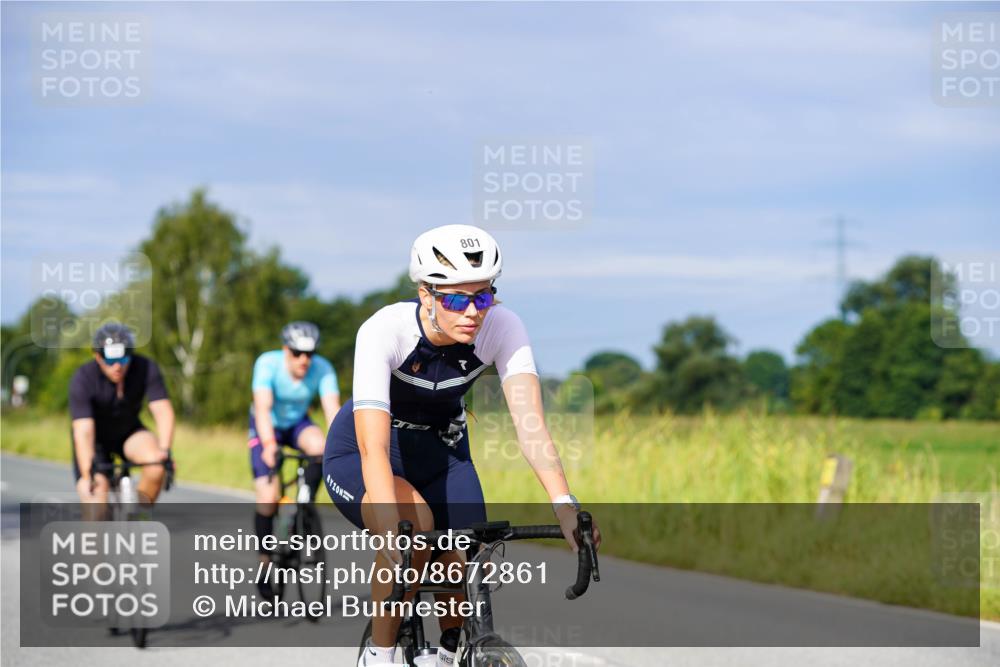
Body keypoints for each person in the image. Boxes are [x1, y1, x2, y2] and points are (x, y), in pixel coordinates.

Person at [323, 224, 601, 667]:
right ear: (426, 295)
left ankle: (453, 652)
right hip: (365, 453)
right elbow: (373, 448)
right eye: (456, 298)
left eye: (484, 296)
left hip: (443, 453)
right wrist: (393, 531)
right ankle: (380, 654)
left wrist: (565, 505)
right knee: (414, 537)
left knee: (467, 555)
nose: (473, 311)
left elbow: (531, 427)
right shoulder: (384, 331)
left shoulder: (503, 327)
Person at [249, 321, 340, 598]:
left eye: (309, 354)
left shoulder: (322, 368)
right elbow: (262, 408)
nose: (304, 360)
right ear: (285, 350)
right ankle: (265, 562)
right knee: (268, 495)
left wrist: (342, 451)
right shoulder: (267, 363)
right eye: (297, 353)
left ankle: (304, 505)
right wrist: (268, 445)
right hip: (267, 426)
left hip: (298, 424)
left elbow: (333, 412)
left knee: (322, 447)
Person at [70, 322, 174, 514]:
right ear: (98, 357)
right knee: (96, 502)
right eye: (110, 361)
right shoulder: (83, 378)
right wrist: (87, 474)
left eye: (124, 360)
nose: (117, 367)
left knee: (156, 465)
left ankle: (139, 513)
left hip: (128, 432)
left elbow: (162, 410)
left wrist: (165, 450)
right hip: (95, 441)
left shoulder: (146, 367)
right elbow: (83, 431)